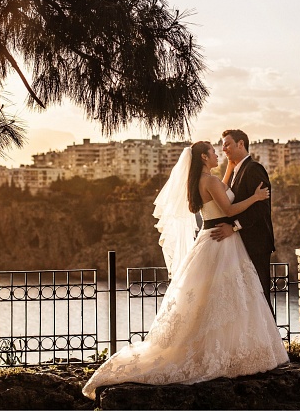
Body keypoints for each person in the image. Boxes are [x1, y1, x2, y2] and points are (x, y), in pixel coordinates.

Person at [81, 141, 288, 399]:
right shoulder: (210, 182)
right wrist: (256, 198)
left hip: (209, 238)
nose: (217, 154)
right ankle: (227, 353)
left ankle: (215, 350)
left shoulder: (201, 181)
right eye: (213, 152)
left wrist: (229, 168)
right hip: (221, 241)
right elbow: (229, 209)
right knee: (228, 298)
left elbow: (219, 191)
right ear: (203, 157)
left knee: (210, 300)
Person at [209, 129, 276, 307]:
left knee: (260, 298)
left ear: (241, 144)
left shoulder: (254, 169)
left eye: (227, 144)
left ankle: (268, 336)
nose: (224, 149)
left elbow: (261, 208)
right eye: (222, 145)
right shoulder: (236, 171)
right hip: (241, 245)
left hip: (256, 243)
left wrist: (234, 227)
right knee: (248, 301)